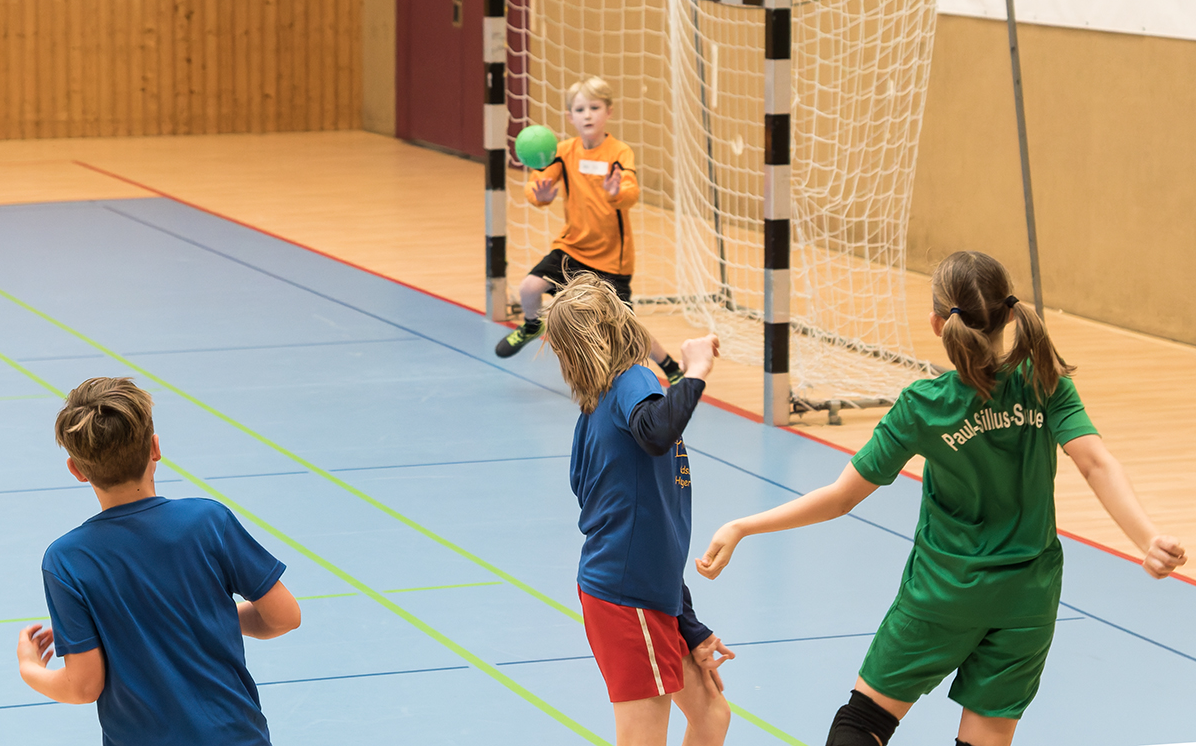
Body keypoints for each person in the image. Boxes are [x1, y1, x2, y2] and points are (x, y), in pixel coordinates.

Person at [696, 251, 1187, 746]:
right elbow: (1095, 462)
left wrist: (743, 525)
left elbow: (841, 497)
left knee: (863, 723)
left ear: (937, 323)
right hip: (1027, 597)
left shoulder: (923, 406)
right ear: (1010, 316)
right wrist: (1146, 539)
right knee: (986, 736)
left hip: (943, 591)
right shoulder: (1045, 383)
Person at [16, 377, 301, 746]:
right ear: (155, 448)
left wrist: (30, 667)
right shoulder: (208, 521)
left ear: (77, 469)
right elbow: (284, 617)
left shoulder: (67, 559)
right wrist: (204, 615)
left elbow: (83, 686)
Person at [542, 273, 734, 745]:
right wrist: (695, 371)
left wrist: (690, 626)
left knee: (711, 714)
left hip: (647, 593)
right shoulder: (632, 380)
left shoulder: (601, 408)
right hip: (629, 601)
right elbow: (656, 433)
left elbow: (649, 530)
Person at [496, 76, 684, 386]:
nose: (587, 115)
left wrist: (617, 192)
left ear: (608, 112)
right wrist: (539, 195)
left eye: (594, 108)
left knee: (626, 327)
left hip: (612, 259)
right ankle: (532, 325)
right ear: (570, 117)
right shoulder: (564, 151)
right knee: (529, 288)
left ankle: (670, 365)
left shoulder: (619, 152)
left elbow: (631, 193)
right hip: (572, 248)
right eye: (580, 109)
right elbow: (538, 184)